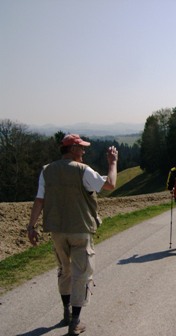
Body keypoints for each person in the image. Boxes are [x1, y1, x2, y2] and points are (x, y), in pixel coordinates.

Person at [27, 134, 118, 335]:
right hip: (80, 229)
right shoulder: (83, 171)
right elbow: (110, 185)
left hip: (57, 231)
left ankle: (66, 312)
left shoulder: (47, 171)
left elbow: (39, 200)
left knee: (64, 270)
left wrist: (31, 226)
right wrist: (112, 163)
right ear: (74, 149)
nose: (84, 152)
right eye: (82, 148)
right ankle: (75, 321)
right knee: (81, 273)